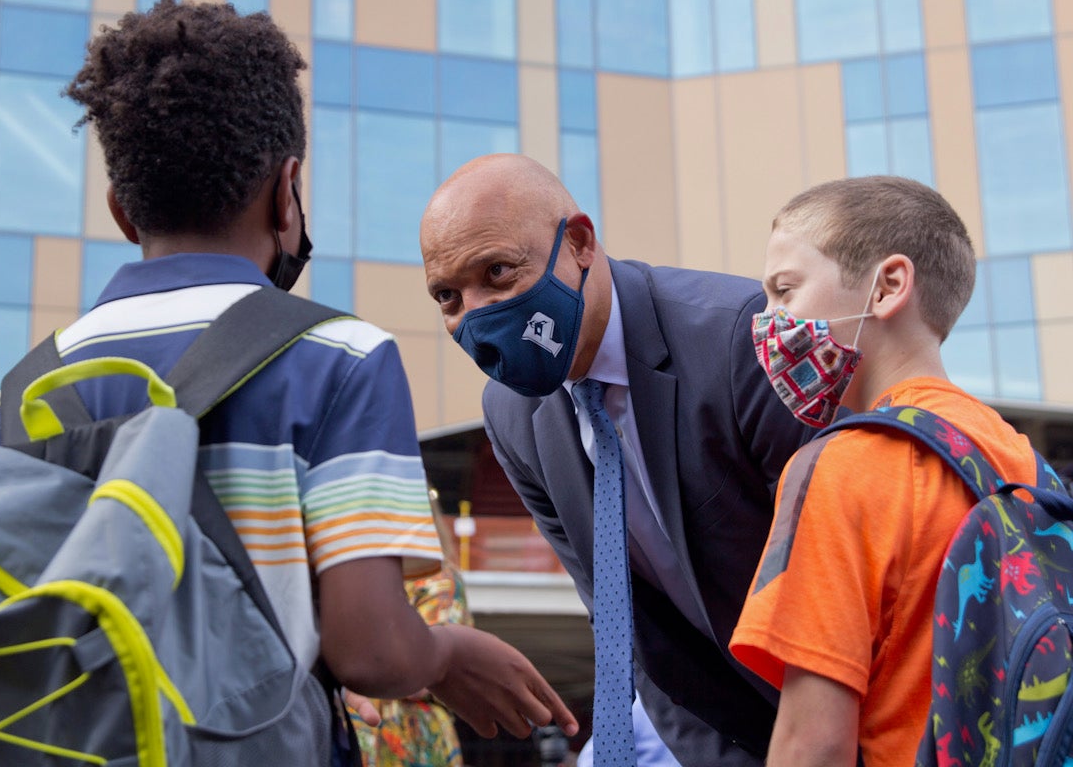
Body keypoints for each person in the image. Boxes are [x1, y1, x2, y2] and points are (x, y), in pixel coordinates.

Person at [0, 0, 575, 765]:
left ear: (122, 210)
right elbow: (368, 650)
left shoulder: (19, 393)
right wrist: (450, 655)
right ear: (286, 189)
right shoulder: (340, 356)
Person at [418, 153, 814, 766]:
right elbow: (633, 633)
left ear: (577, 243)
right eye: (447, 296)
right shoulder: (511, 415)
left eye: (497, 272)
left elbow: (842, 593)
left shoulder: (742, 341)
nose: (475, 315)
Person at [728, 176, 1040, 767]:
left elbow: (812, 743)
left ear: (889, 286)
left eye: (784, 290)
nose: (765, 322)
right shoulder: (1021, 458)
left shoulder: (843, 465)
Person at [348, 495, 471, 766]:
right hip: (358, 732)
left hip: (412, 736)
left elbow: (423, 672)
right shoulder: (352, 575)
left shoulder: (439, 581)